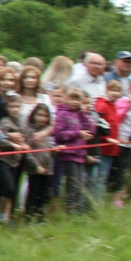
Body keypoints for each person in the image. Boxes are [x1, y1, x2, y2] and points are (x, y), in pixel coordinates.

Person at [53, 87, 96, 215]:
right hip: (68, 153)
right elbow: (58, 134)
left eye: (78, 99)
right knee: (72, 183)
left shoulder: (81, 114)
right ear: (66, 98)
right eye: (72, 98)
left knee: (80, 183)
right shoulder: (62, 114)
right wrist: (78, 134)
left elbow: (92, 130)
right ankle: (70, 209)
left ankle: (77, 208)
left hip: (80, 153)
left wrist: (83, 114)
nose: (75, 102)